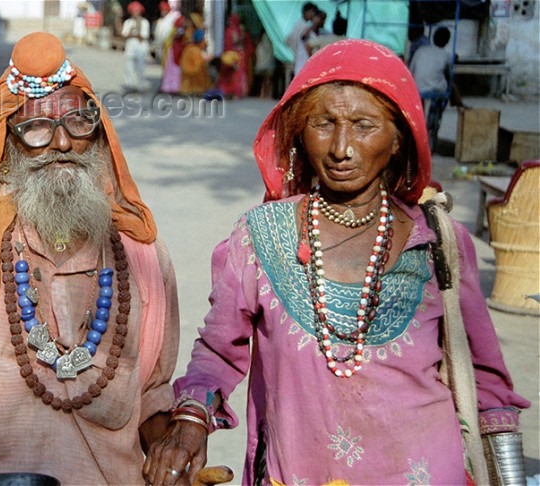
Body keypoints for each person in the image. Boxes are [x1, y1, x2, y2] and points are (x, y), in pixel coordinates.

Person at [143, 39, 530, 485]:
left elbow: (488, 383)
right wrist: (189, 424)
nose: (342, 148)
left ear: (399, 136)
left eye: (364, 125)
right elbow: (217, 350)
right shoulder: (261, 237)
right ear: (298, 133)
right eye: (324, 124)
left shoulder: (439, 241)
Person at [0, 32, 180, 485]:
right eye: (36, 128)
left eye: (78, 122)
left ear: (99, 138)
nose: (62, 143)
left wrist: (171, 453)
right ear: (8, 150)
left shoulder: (144, 258)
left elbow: (152, 395)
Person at [409, 27, 464, 150]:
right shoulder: (446, 55)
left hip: (418, 87)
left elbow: (411, 69)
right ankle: (456, 104)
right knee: (450, 86)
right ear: (447, 41)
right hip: (437, 89)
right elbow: (447, 73)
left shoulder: (421, 50)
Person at [216, 13, 253, 99]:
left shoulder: (229, 30)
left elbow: (229, 43)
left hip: (229, 55)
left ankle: (227, 91)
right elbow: (238, 42)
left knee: (228, 75)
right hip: (238, 55)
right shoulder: (238, 30)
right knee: (238, 74)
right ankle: (238, 92)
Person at [122, 1, 151, 92]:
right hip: (130, 46)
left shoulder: (145, 22)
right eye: (134, 11)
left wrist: (133, 34)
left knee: (140, 67)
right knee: (129, 67)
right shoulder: (128, 22)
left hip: (141, 47)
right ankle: (131, 85)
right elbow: (124, 33)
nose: (135, 13)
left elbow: (144, 35)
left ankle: (140, 86)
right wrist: (134, 34)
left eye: (137, 11)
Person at [284, 2, 318, 77]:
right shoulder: (302, 26)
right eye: (311, 12)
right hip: (302, 59)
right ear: (306, 12)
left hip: (301, 59)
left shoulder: (302, 25)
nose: (312, 15)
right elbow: (302, 37)